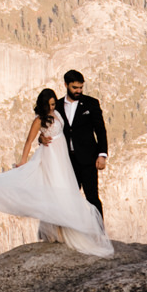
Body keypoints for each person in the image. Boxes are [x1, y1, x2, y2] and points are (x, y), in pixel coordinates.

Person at [0, 87, 113, 256]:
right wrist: (24, 159)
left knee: (63, 191)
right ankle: (58, 232)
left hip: (62, 158)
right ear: (43, 105)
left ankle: (60, 231)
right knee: (55, 190)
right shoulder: (39, 119)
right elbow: (29, 140)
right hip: (50, 157)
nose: (52, 107)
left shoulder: (58, 112)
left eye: (53, 104)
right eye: (49, 105)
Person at [57, 68, 109, 219]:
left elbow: (100, 130)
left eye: (81, 87)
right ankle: (72, 231)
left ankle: (99, 232)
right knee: (69, 197)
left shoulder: (91, 103)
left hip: (88, 159)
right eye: (75, 87)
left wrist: (102, 154)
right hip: (67, 160)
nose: (78, 90)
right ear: (66, 85)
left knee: (92, 197)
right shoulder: (59, 106)